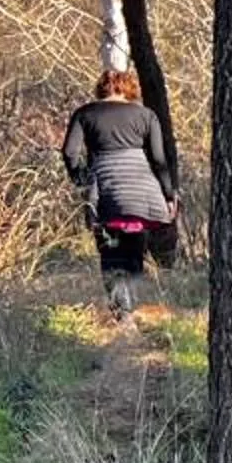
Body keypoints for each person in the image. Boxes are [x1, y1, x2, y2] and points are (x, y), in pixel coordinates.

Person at [62, 69, 179, 311]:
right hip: (141, 191)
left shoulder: (85, 114)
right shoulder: (146, 116)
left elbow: (70, 153)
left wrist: (83, 179)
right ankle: (129, 309)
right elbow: (158, 159)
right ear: (129, 88)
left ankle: (121, 312)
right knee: (134, 253)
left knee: (111, 255)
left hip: (106, 191)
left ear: (101, 87)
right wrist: (169, 194)